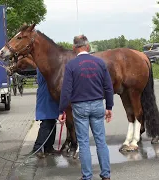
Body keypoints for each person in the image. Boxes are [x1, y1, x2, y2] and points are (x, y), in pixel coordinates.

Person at [58, 35, 114, 180]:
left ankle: (87, 176)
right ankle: (106, 175)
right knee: (101, 140)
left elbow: (66, 91)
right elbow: (108, 87)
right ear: (87, 47)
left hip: (80, 107)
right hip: (97, 105)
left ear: (73, 47)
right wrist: (109, 106)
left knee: (83, 143)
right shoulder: (100, 63)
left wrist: (62, 110)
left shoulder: (71, 65)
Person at [31, 68, 60, 158]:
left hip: (50, 99)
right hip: (46, 98)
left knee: (52, 123)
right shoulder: (42, 68)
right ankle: (37, 148)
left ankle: (48, 147)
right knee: (46, 124)